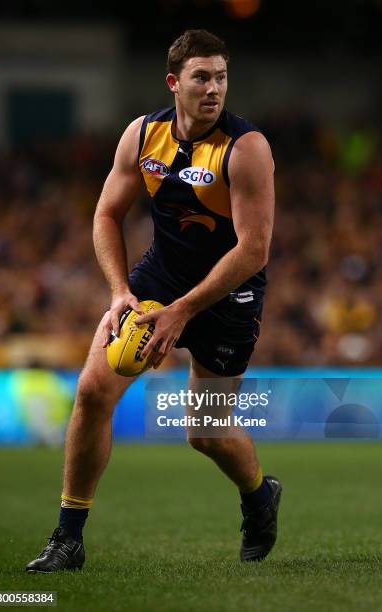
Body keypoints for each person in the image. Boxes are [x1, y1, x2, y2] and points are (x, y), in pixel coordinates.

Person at [26, 29, 281, 573]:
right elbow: (105, 215)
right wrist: (121, 293)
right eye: (201, 77)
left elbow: (254, 249)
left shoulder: (247, 148)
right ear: (174, 82)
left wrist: (184, 309)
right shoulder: (143, 136)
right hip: (156, 281)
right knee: (94, 390)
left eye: (221, 76)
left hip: (227, 293)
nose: (214, 88)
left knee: (206, 432)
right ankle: (68, 537)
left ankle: (260, 496)